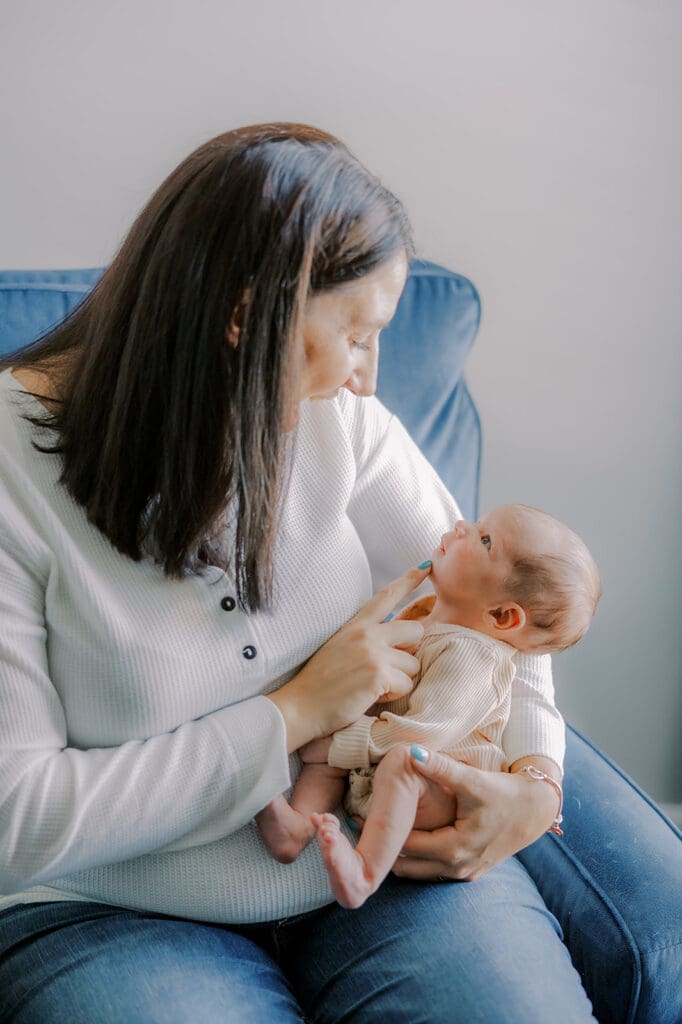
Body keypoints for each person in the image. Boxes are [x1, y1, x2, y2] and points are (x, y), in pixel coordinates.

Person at [0, 123, 597, 1022]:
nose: (367, 380)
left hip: (368, 851)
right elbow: (20, 819)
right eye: (357, 337)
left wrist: (535, 783)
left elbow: (511, 601)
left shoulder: (333, 420)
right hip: (109, 907)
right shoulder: (12, 478)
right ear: (246, 318)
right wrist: (292, 714)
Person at [256, 504, 600, 908]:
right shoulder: (429, 615)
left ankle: (365, 872)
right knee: (335, 753)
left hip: (441, 789)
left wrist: (344, 743)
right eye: (475, 525)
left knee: (402, 761)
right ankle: (296, 829)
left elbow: (427, 733)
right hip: (383, 763)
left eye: (484, 539)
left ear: (503, 616)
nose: (460, 525)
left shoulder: (472, 656)